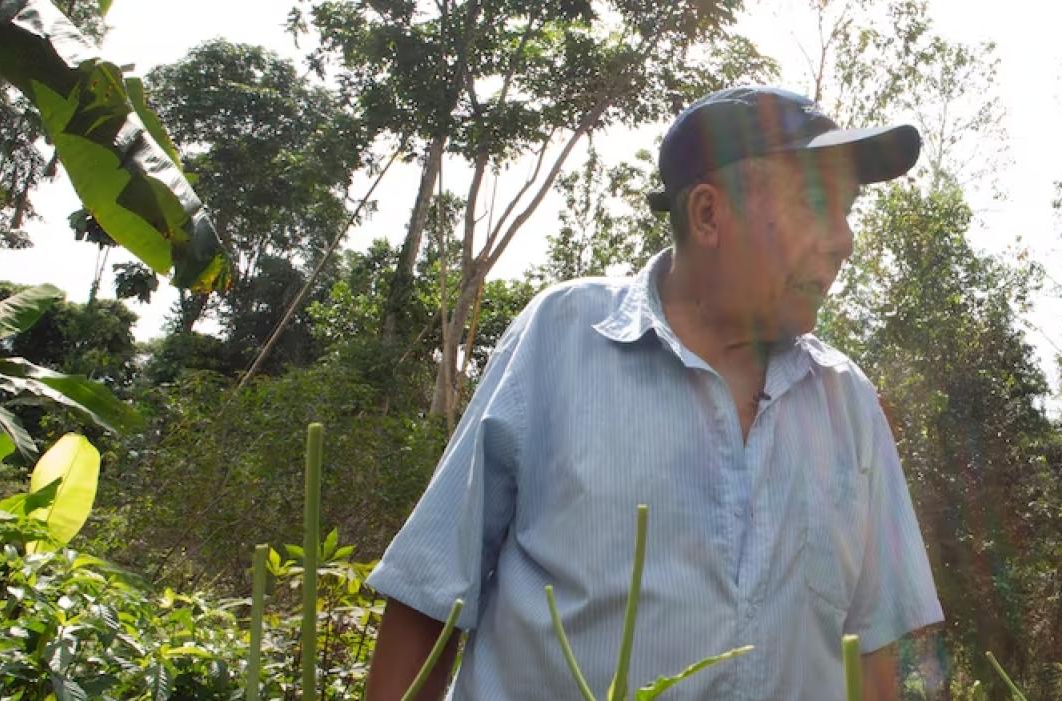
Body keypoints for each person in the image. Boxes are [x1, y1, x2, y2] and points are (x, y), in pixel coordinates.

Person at [361, 85, 943, 701]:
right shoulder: (561, 338)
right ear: (708, 214)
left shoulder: (847, 404)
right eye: (816, 204)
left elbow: (875, 646)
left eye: (847, 209)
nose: (843, 239)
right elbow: (430, 594)